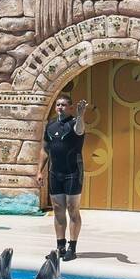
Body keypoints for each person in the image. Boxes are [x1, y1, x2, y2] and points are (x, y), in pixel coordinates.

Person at [41, 94, 88, 261]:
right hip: (55, 173)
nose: (60, 107)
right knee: (57, 209)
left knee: (72, 209)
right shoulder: (51, 125)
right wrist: (40, 171)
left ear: (70, 107)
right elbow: (45, 150)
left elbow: (80, 131)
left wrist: (81, 115)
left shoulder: (75, 123)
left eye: (63, 105)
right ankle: (60, 247)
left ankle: (72, 247)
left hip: (73, 173)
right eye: (58, 104)